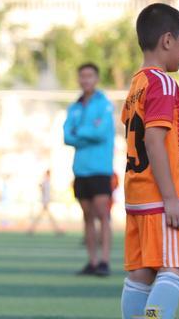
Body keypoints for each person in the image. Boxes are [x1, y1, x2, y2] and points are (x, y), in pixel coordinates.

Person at [120, 3, 179, 319]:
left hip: (137, 196)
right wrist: (171, 199)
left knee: (141, 274)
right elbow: (153, 140)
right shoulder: (162, 83)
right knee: (174, 270)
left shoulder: (136, 85)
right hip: (159, 198)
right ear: (167, 41)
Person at [63, 62, 115, 276]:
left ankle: (104, 261)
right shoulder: (74, 107)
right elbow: (67, 136)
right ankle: (92, 261)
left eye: (90, 76)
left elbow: (101, 133)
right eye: (82, 76)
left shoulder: (104, 104)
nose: (86, 80)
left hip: (101, 168)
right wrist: (85, 132)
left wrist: (79, 133)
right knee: (87, 216)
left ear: (96, 78)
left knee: (103, 214)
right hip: (81, 170)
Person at [28, 169, 64, 235]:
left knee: (43, 217)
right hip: (45, 201)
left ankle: (31, 229)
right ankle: (57, 230)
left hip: (46, 201)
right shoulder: (45, 181)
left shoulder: (47, 181)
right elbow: (41, 187)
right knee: (46, 217)